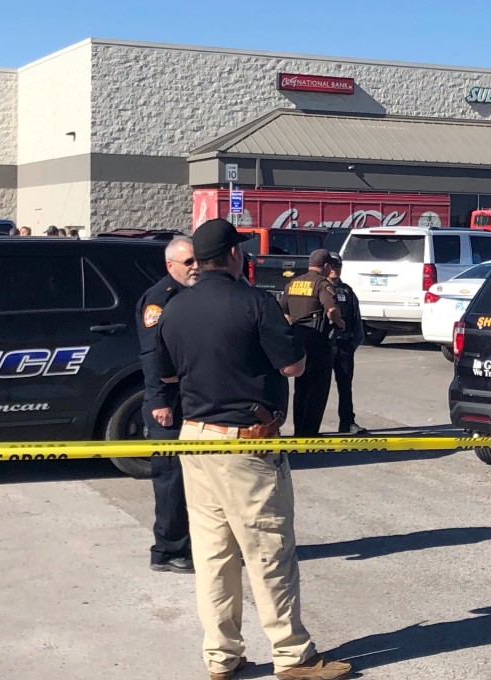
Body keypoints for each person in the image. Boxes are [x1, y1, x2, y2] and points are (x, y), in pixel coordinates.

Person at [154, 219, 352, 680]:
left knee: (213, 555)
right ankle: (293, 655)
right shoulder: (254, 302)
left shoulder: (175, 308)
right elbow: (294, 365)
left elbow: (165, 375)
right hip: (245, 442)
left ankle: (221, 656)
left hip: (195, 438)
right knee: (267, 549)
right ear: (232, 256)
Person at [136, 236, 198, 575]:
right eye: (188, 262)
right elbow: (152, 353)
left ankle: (186, 543)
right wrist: (159, 399)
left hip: (189, 397)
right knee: (171, 477)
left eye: (197, 260)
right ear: (170, 265)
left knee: (191, 476)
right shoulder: (160, 299)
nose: (195, 267)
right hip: (167, 402)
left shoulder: (191, 295)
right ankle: (168, 550)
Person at [279, 248, 346, 437]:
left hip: (298, 338)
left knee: (301, 387)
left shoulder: (293, 283)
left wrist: (293, 324)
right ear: (325, 266)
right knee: (318, 388)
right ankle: (310, 433)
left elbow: (282, 309)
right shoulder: (322, 284)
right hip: (318, 340)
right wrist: (340, 323)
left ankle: (299, 430)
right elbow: (331, 310)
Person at [327, 253, 367, 434]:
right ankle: (309, 428)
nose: (335, 269)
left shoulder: (347, 291)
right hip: (323, 347)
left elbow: (357, 321)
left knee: (345, 387)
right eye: (332, 265)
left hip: (344, 346)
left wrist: (352, 345)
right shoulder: (318, 288)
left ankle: (347, 422)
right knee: (317, 388)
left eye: (338, 265)